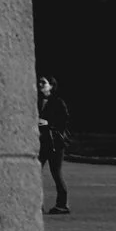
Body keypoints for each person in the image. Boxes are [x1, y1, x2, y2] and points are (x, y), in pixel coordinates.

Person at [38, 72, 70, 214]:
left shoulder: (58, 102)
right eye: (39, 82)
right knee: (34, 173)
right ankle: (36, 203)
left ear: (51, 86)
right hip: (41, 142)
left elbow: (64, 121)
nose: (40, 85)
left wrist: (48, 123)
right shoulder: (37, 101)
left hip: (55, 144)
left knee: (56, 173)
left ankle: (62, 205)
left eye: (43, 83)